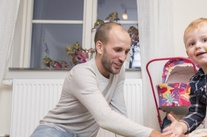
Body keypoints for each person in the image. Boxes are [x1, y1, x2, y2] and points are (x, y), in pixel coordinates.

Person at [30, 22, 162, 137]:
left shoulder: (118, 72)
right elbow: (104, 118)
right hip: (54, 132)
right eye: (117, 50)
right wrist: (152, 134)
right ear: (99, 47)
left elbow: (120, 116)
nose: (123, 58)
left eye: (126, 51)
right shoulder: (82, 73)